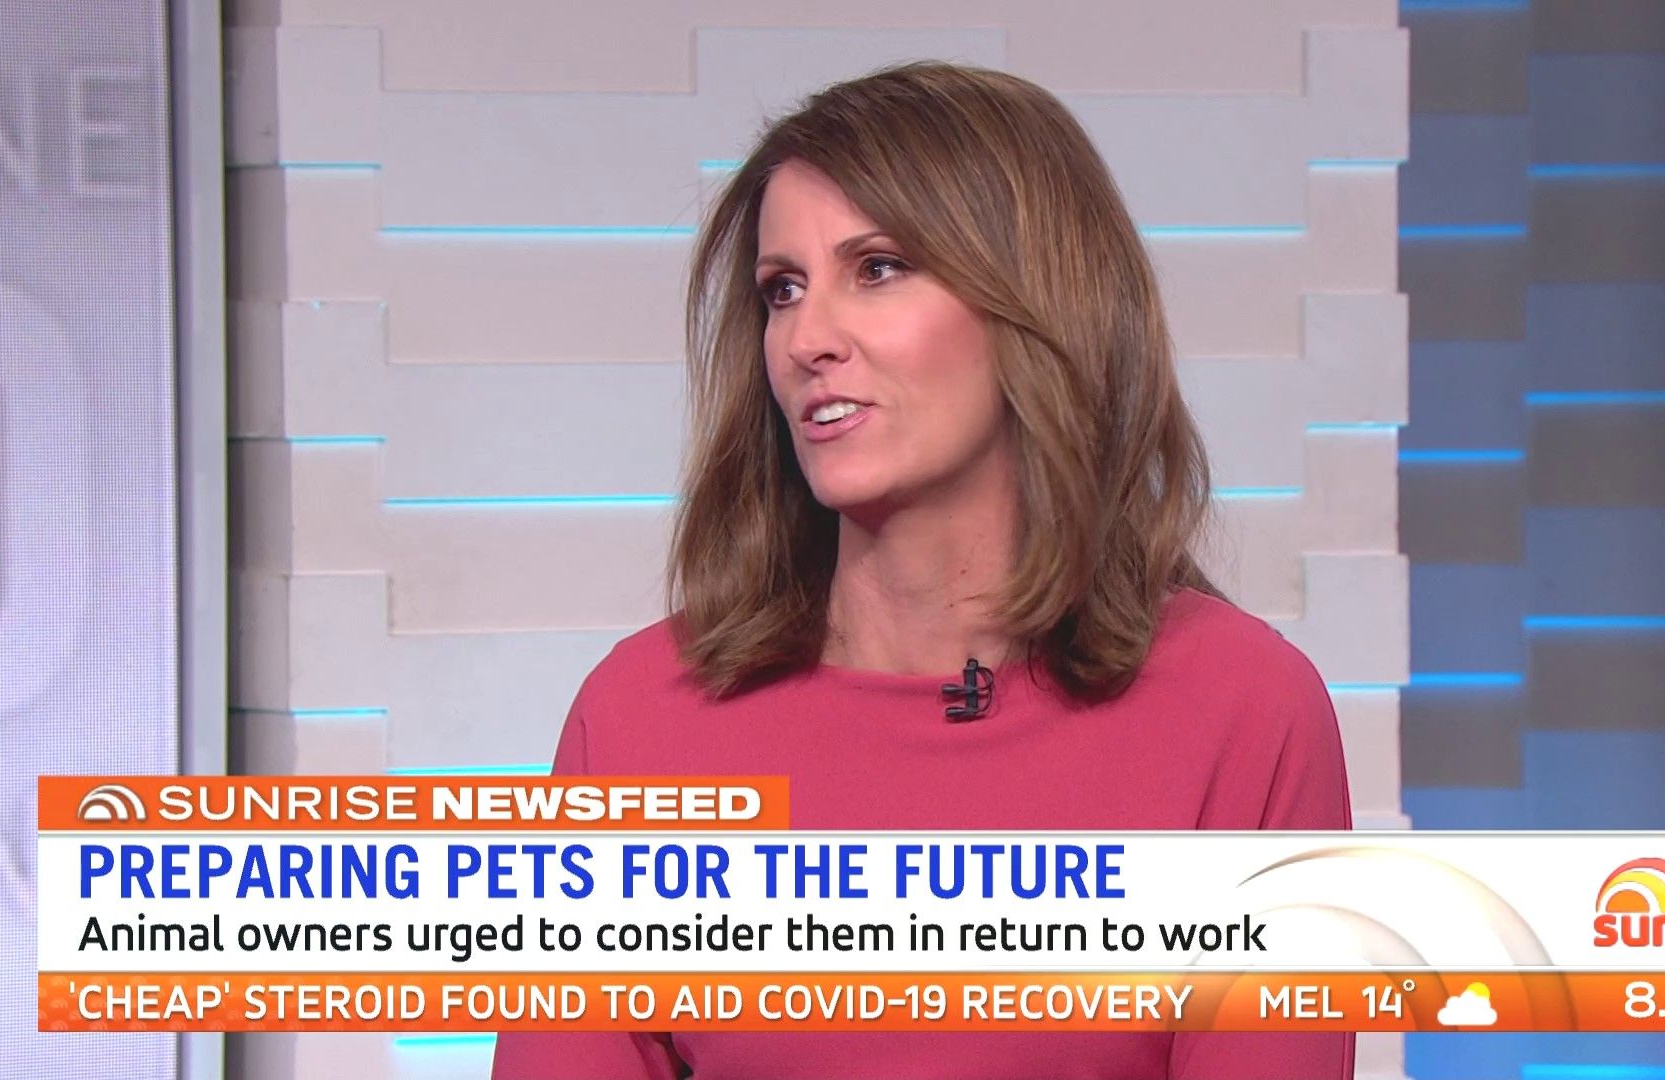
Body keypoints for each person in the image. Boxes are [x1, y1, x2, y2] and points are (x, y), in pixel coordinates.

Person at [492, 60, 1354, 1080]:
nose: (807, 339)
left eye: (879, 268)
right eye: (782, 290)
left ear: (1038, 301)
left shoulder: (1242, 710)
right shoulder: (642, 718)